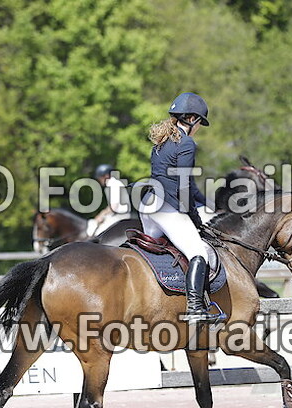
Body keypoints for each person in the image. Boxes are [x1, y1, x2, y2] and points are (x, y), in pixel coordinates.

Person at [140, 92, 217, 323]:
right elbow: (183, 186)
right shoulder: (186, 143)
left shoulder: (161, 142)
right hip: (167, 209)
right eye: (200, 123)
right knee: (198, 253)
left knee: (155, 251)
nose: (200, 128)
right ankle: (195, 307)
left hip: (148, 206)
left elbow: (187, 185)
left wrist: (203, 202)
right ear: (192, 119)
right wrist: (194, 218)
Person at [87, 164, 132, 237]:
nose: (99, 180)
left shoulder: (113, 184)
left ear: (106, 176)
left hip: (119, 217)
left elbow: (114, 207)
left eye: (100, 178)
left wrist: (102, 214)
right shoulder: (113, 184)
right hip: (118, 215)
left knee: (97, 234)